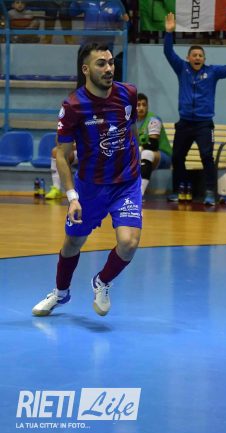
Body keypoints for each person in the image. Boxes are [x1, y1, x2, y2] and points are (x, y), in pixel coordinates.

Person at [32, 42, 141, 317]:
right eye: (101, 64)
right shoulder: (73, 106)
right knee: (72, 244)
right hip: (91, 187)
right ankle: (60, 293)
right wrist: (72, 197)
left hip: (126, 183)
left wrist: (135, 162)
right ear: (86, 69)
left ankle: (102, 282)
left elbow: (132, 131)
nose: (108, 68)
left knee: (129, 243)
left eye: (110, 62)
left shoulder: (128, 93)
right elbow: (62, 155)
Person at [163, 12, 226, 206]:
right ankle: (179, 190)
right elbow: (168, 52)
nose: (197, 57)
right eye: (194, 55)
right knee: (177, 157)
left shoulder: (212, 72)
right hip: (184, 123)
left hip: (204, 124)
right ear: (188, 57)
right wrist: (169, 33)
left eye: (200, 55)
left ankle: (210, 192)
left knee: (206, 157)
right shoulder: (181, 68)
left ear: (204, 58)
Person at [136, 92, 171, 196]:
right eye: (138, 105)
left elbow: (153, 145)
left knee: (146, 153)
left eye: (144, 105)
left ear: (147, 106)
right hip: (141, 154)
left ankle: (139, 194)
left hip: (162, 155)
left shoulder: (154, 120)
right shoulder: (131, 121)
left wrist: (138, 149)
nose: (141, 108)